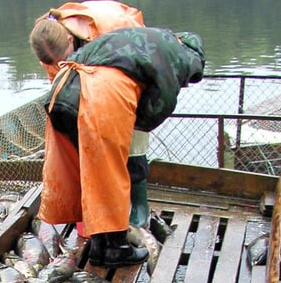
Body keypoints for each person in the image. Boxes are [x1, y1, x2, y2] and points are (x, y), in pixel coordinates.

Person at [32, 25, 205, 268]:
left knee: (91, 173)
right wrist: (132, 124)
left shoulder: (139, 38)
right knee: (111, 175)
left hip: (61, 93)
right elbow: (157, 109)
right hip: (96, 99)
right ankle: (116, 249)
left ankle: (99, 247)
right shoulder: (177, 59)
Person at [29, 0, 151, 229]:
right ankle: (98, 206)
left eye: (64, 59)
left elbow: (136, 71)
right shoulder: (48, 47)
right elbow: (61, 87)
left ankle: (139, 203)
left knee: (132, 139)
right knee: (88, 144)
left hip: (132, 69)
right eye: (55, 64)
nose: (59, 65)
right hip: (90, 77)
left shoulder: (110, 31)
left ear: (69, 39)